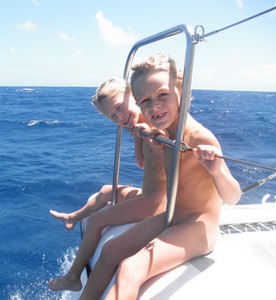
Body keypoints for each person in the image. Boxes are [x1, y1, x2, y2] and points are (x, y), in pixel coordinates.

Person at [76, 53, 241, 300]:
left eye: (163, 95)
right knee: (110, 250)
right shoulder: (161, 133)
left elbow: (234, 196)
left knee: (131, 268)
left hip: (198, 226)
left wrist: (216, 171)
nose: (154, 106)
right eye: (145, 100)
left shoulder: (198, 137)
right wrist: (153, 145)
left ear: (182, 90)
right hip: (173, 215)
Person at [48, 78, 167, 292]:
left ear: (133, 96)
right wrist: (137, 138)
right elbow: (142, 163)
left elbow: (168, 159)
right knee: (106, 191)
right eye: (113, 116)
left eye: (120, 108)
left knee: (96, 220)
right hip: (149, 194)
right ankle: (73, 218)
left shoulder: (155, 125)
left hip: (156, 203)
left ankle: (73, 277)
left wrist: (148, 138)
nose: (120, 117)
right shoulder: (139, 125)